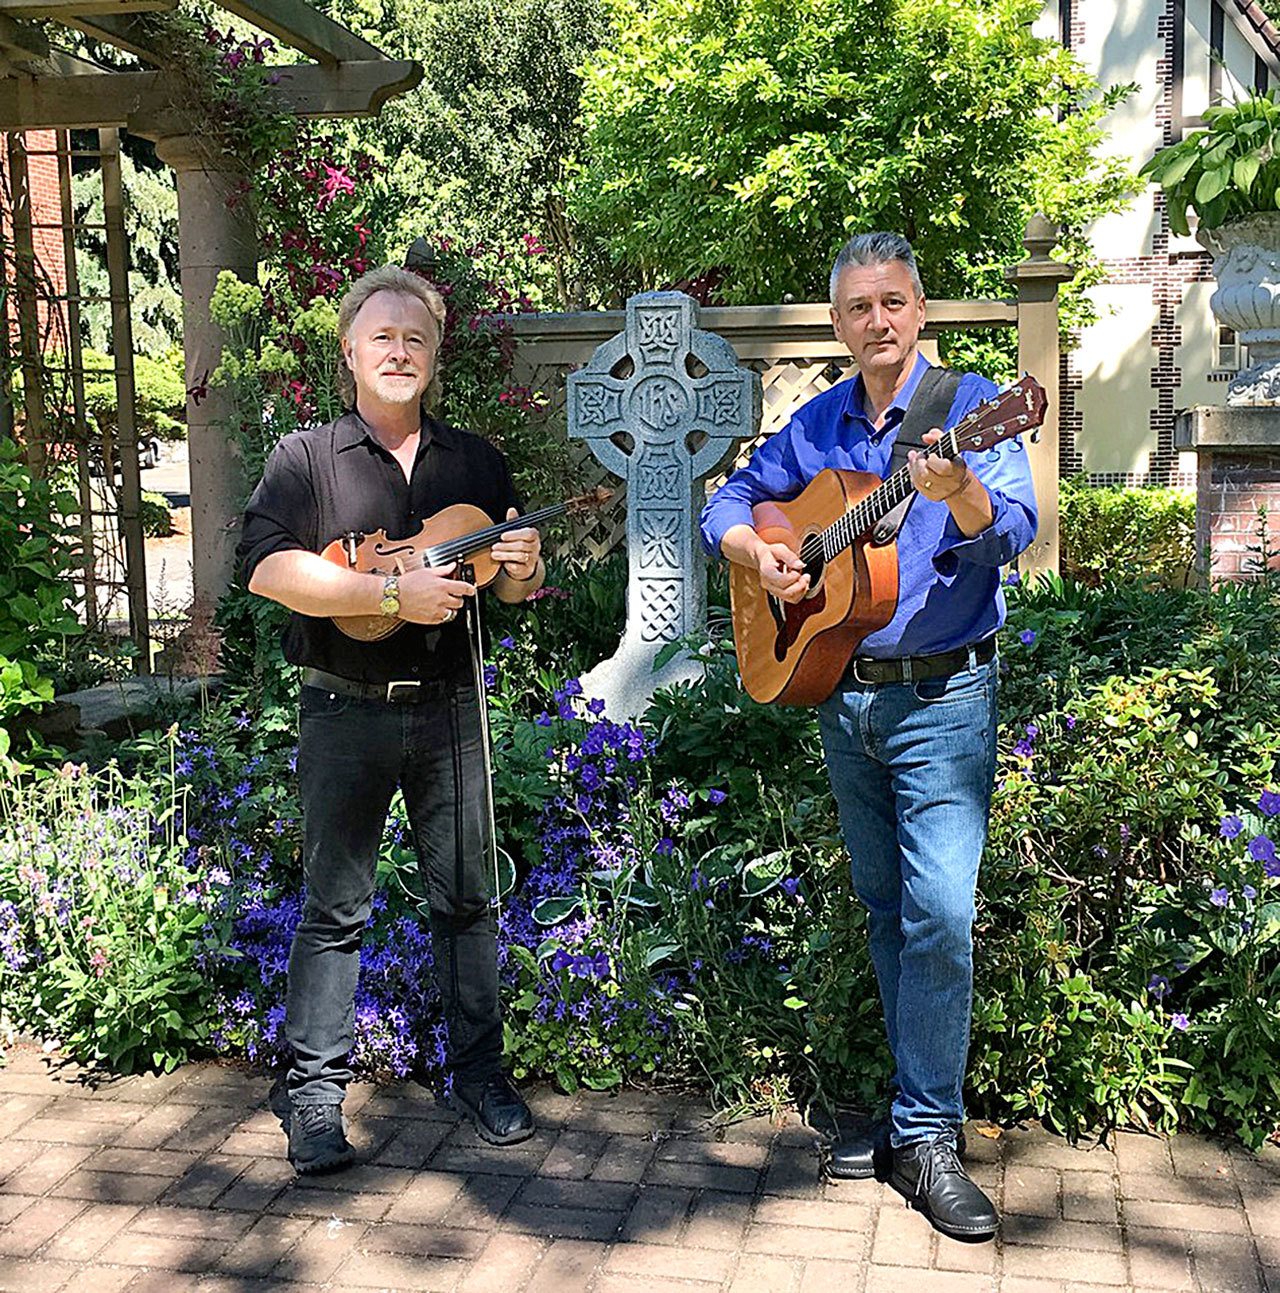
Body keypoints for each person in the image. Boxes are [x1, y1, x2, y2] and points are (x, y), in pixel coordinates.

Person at [700, 232, 1037, 1241]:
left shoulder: (972, 409)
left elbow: (1014, 532)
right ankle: (906, 1121)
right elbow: (725, 500)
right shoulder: (819, 422)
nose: (877, 321)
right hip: (843, 694)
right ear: (839, 323)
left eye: (893, 302)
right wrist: (762, 554)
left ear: (918, 311)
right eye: (857, 308)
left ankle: (928, 1132)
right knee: (885, 908)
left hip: (943, 702)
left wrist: (959, 492)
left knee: (937, 913)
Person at [237, 264, 545, 1173]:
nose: (399, 351)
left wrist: (522, 564)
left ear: (435, 354)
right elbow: (266, 569)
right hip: (344, 707)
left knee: (465, 900)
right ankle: (315, 1096)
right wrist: (384, 590)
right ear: (351, 351)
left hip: (451, 708)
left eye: (415, 338)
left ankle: (480, 1073)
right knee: (335, 908)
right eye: (383, 337)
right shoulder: (304, 459)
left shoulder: (477, 463)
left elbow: (511, 586)